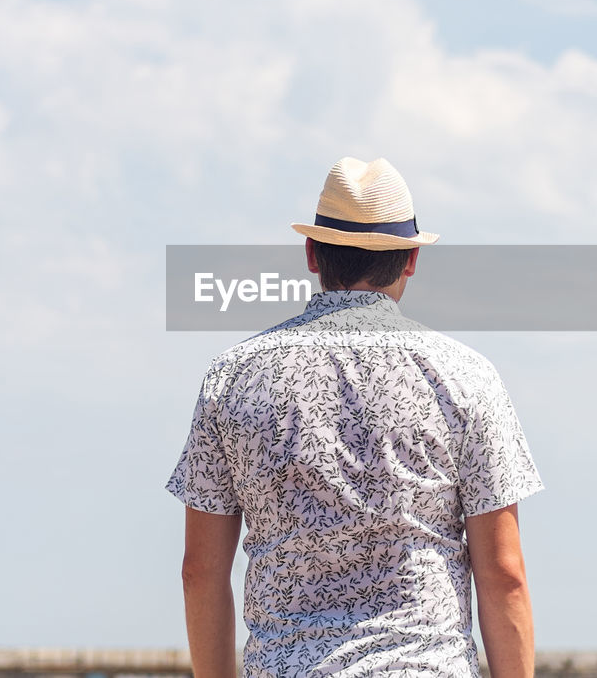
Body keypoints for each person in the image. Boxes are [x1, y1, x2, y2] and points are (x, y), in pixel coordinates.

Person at [166, 157, 543, 677]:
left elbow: (200, 572)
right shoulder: (466, 378)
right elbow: (503, 574)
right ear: (411, 259)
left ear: (312, 254)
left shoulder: (233, 378)